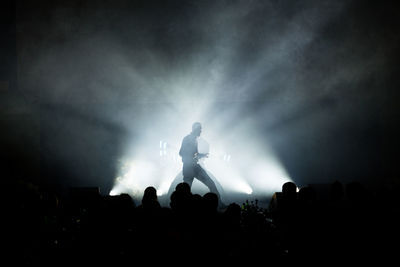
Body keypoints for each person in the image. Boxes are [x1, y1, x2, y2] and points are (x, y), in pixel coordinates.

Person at [179, 122, 224, 207]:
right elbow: (181, 153)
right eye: (200, 129)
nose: (201, 131)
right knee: (187, 189)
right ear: (195, 129)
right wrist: (194, 156)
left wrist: (200, 155)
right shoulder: (188, 139)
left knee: (209, 184)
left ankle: (219, 204)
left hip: (193, 167)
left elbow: (189, 154)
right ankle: (182, 207)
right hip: (190, 168)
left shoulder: (193, 139)